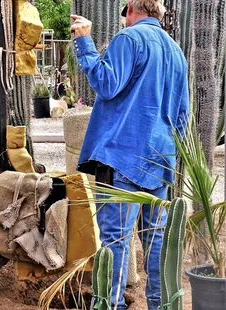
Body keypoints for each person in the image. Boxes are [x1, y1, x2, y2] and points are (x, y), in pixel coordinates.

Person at [70, 1, 189, 309]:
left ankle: (110, 305)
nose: (124, 20)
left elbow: (107, 84)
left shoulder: (130, 39)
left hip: (123, 155)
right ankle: (160, 304)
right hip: (160, 160)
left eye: (125, 13)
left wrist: (84, 40)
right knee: (156, 242)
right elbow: (182, 116)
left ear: (134, 8)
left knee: (115, 241)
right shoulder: (176, 51)